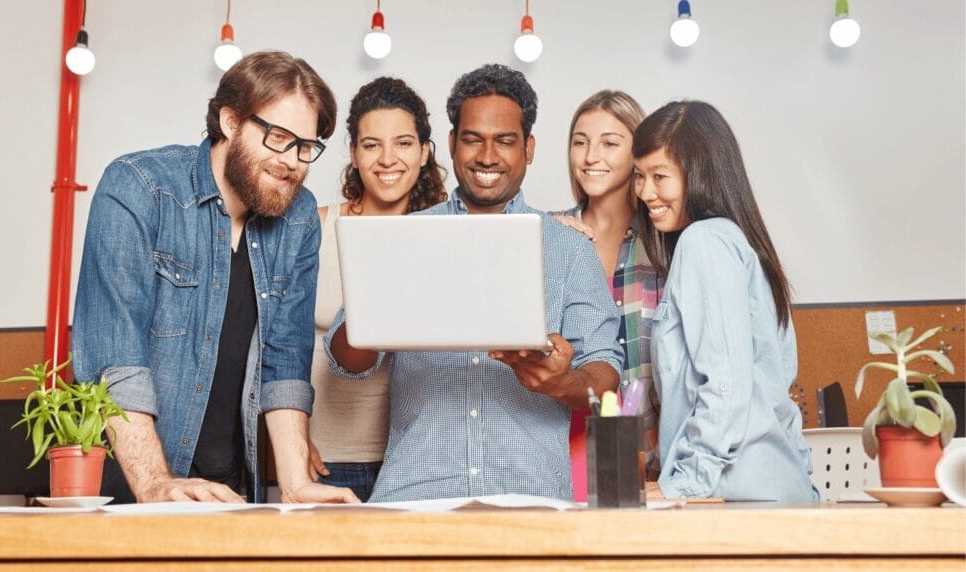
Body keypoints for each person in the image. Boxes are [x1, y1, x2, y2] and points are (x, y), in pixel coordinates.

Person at [324, 64, 624, 503]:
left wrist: (558, 383)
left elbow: (606, 373)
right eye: (472, 139)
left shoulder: (569, 247)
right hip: (414, 498)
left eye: (505, 140)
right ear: (450, 144)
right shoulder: (402, 237)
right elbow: (345, 360)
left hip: (531, 498)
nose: (487, 155)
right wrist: (383, 305)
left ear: (529, 148)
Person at [72, 51, 358, 504]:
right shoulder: (138, 188)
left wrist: (296, 484)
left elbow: (284, 362)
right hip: (128, 486)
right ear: (229, 121)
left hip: (228, 490)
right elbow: (116, 355)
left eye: (306, 147)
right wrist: (154, 484)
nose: (293, 163)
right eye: (279, 138)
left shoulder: (299, 216)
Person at [631, 100, 817, 502]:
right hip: (774, 487)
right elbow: (776, 392)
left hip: (733, 496)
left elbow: (725, 388)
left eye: (659, 176)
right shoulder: (742, 244)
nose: (645, 192)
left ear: (699, 172)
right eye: (639, 176)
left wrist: (685, 484)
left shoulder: (705, 242)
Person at [308, 77, 447, 502]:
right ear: (352, 153)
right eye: (371, 145)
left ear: (424, 152)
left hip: (415, 463)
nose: (387, 159)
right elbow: (268, 341)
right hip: (324, 461)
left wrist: (559, 224)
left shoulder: (447, 236)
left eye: (403, 143)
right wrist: (287, 439)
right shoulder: (314, 226)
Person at [552, 90, 663, 503]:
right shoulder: (549, 235)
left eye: (610, 143)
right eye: (580, 142)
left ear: (638, 152)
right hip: (564, 456)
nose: (590, 156)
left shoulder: (664, 250)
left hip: (651, 459)